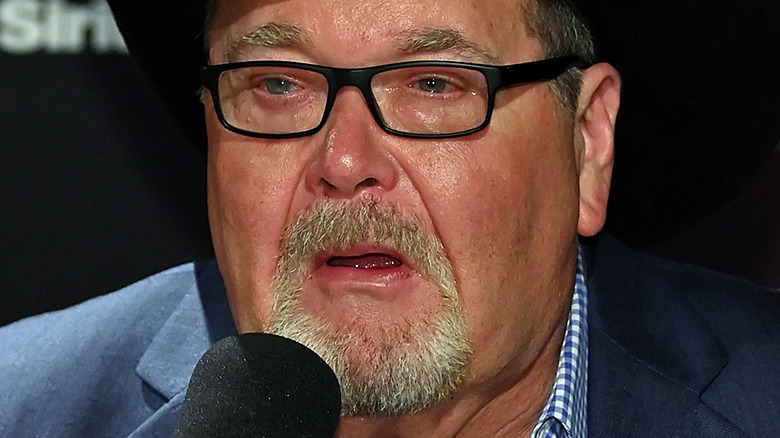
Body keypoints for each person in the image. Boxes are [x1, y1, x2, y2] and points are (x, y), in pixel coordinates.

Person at [1, 0, 779, 436]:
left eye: (434, 84)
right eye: (278, 84)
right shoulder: (25, 407)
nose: (344, 160)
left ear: (586, 141)